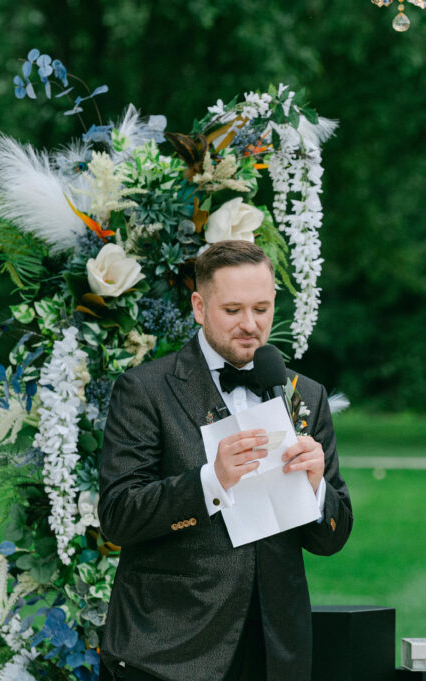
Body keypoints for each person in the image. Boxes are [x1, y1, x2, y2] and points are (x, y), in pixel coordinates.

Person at [98, 239, 353, 681]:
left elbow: (332, 537)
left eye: (262, 309)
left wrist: (316, 489)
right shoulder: (145, 390)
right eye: (233, 310)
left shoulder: (305, 395)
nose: (250, 324)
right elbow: (119, 517)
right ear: (199, 307)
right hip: (169, 652)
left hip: (275, 653)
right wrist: (209, 482)